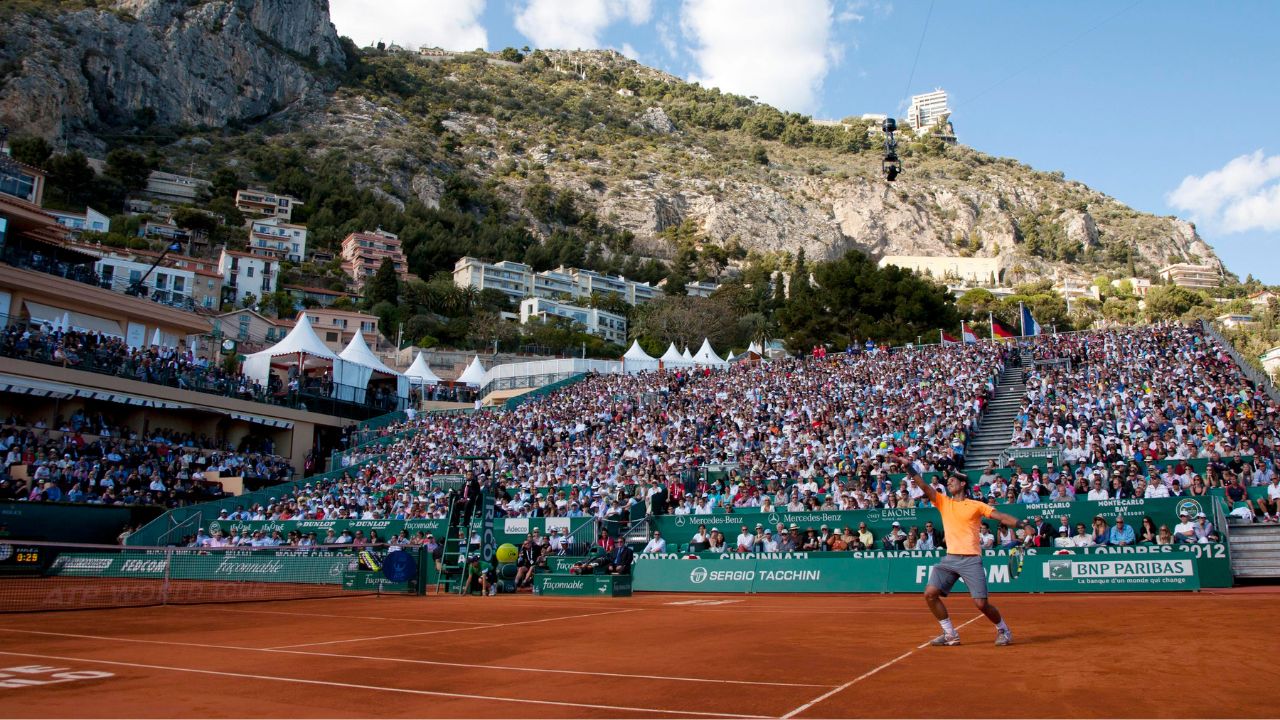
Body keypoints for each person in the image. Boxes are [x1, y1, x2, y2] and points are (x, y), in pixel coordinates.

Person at [899, 461, 1018, 647]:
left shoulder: (976, 505)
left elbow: (1001, 517)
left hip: (971, 559)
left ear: (963, 483)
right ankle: (949, 634)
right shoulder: (943, 502)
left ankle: (1004, 629)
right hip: (950, 558)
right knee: (930, 594)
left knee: (981, 604)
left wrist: (1023, 525)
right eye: (948, 481)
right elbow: (923, 485)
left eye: (953, 480)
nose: (949, 483)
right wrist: (908, 467)